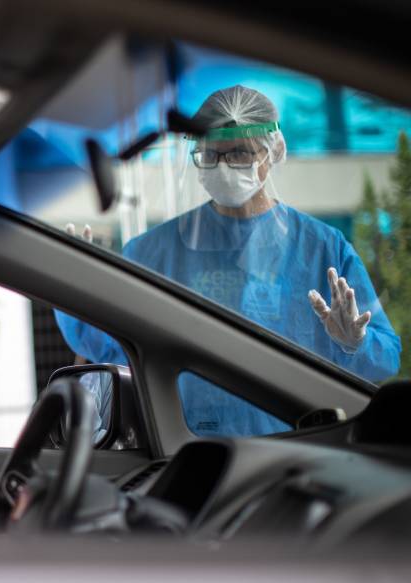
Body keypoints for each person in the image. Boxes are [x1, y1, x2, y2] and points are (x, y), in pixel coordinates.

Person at [56, 85, 401, 437]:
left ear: (273, 152)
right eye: (210, 155)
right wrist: (75, 292)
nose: (223, 167)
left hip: (302, 449)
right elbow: (110, 348)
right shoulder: (151, 252)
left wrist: (354, 342)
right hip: (191, 453)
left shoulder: (322, 248)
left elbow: (387, 357)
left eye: (239, 154)